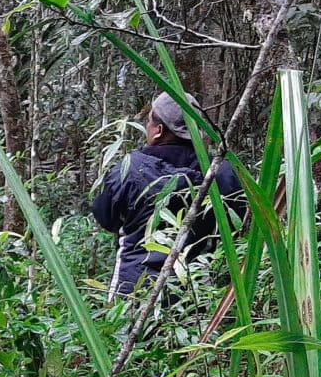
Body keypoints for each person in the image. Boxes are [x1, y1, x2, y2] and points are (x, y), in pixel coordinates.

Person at [92, 91, 243, 302]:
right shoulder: (222, 172)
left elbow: (105, 218)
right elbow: (235, 223)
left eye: (149, 121)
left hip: (132, 291)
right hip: (195, 295)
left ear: (158, 131)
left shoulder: (128, 170)